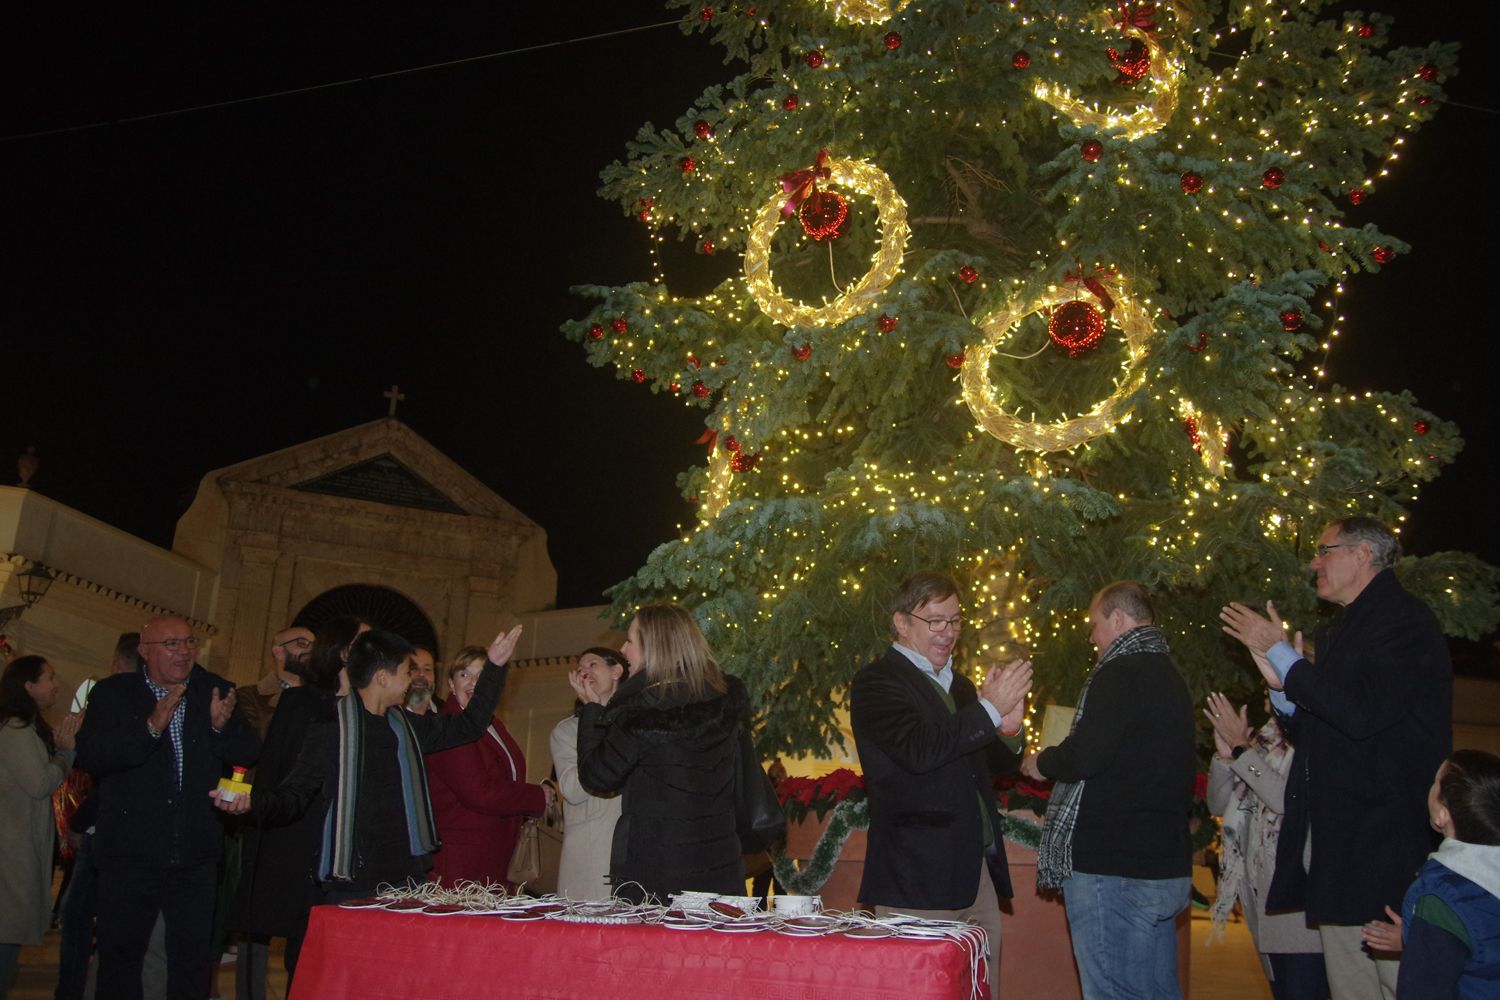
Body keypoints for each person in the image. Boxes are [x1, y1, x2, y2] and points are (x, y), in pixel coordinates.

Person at [1222, 515, 1453, 999]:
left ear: (1363, 554)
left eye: (1324, 550)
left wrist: (1283, 656)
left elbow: (1361, 714)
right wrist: (1279, 685)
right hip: (1343, 857)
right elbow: (1323, 731)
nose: (1313, 562)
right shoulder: (1346, 628)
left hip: (1382, 852)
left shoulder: (1403, 620)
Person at [212, 625, 522, 900]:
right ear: (383, 678)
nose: (413, 680)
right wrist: (252, 801)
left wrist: (494, 667)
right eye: (406, 671)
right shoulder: (331, 731)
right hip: (353, 878)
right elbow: (293, 796)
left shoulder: (409, 727)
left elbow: (469, 725)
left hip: (406, 874)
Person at [849, 572, 1032, 1000]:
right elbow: (919, 750)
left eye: (955, 621)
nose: (948, 632)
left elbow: (993, 764)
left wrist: (1008, 727)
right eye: (935, 621)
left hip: (975, 869)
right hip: (918, 874)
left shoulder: (961, 684)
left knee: (982, 987)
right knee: (921, 990)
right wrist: (988, 709)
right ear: (901, 622)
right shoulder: (877, 682)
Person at [1021, 581, 1196, 1000]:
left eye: (1095, 625)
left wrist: (1041, 762)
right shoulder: (1170, 675)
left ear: (1117, 619)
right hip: (1163, 864)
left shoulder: (1120, 672)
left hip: (1114, 869)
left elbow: (1086, 755)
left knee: (1113, 992)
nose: (1091, 637)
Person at [73, 616, 259, 1000]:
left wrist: (220, 729)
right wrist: (151, 728)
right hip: (129, 855)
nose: (184, 651)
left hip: (194, 855)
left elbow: (248, 752)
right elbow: (93, 756)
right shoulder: (113, 694)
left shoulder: (213, 690)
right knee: (120, 957)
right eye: (171, 644)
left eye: (189, 642)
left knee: (191, 960)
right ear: (145, 651)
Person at [573, 604, 747, 902]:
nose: (623, 650)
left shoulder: (641, 709)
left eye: (630, 641)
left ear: (652, 648)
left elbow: (598, 776)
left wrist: (592, 711)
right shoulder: (722, 699)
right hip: (720, 858)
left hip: (659, 867)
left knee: (657, 948)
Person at [229, 624, 345, 1000]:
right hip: (262, 811)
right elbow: (257, 749)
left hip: (298, 818)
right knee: (258, 922)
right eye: (299, 643)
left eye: (313, 643)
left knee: (296, 929)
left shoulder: (324, 700)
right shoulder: (252, 696)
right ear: (277, 651)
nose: (308, 650)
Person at [1204, 693, 1327, 1000]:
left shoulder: (1316, 739)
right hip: (1263, 903)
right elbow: (1219, 804)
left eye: (1274, 684)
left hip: (1299, 914)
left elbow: (1285, 799)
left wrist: (1242, 751)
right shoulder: (1264, 742)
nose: (1267, 696)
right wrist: (1224, 757)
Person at [1359, 749, 1500, 999]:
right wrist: (1417, 936)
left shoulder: (1440, 898)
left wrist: (1428, 930)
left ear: (1442, 815)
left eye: (1435, 782)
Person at [56, 632, 140, 1000]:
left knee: (78, 918)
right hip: (127, 832)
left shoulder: (110, 700)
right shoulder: (148, 703)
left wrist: (77, 822)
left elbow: (104, 775)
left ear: (117, 663)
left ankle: (72, 991)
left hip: (102, 830)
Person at [425, 645, 551, 888]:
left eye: (482, 675)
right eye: (464, 674)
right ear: (451, 684)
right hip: (464, 863)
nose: (474, 682)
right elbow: (480, 792)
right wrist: (536, 796)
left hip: (494, 854)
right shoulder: (449, 726)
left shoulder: (493, 725)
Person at [1, 656, 83, 997]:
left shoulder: (21, 729)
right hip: (10, 852)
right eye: (49, 677)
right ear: (28, 686)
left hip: (15, 847)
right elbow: (38, 783)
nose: (56, 684)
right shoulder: (15, 732)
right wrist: (66, 757)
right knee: (6, 936)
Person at [549, 647, 627, 899]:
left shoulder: (635, 724)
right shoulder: (567, 731)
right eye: (580, 670)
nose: (585, 673)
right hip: (592, 854)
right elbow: (572, 789)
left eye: (592, 665)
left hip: (635, 850)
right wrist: (594, 718)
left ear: (616, 671)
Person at [236, 625, 314, 741]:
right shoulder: (249, 696)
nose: (311, 651)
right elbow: (247, 746)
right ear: (279, 651)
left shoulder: (320, 698)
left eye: (315, 647)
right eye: (302, 643)